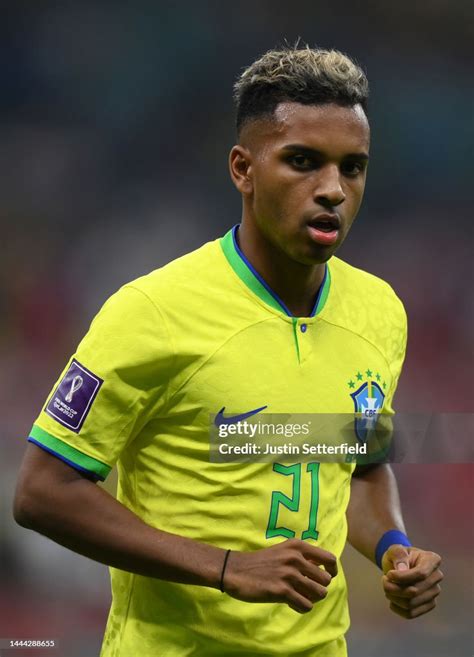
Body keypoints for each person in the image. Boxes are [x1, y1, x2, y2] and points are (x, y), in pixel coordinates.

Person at [14, 46, 443, 657]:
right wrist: (226, 567)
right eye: (302, 161)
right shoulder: (154, 311)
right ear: (243, 169)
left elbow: (362, 465)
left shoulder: (380, 312)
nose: (332, 190)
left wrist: (394, 548)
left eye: (352, 168)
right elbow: (43, 493)